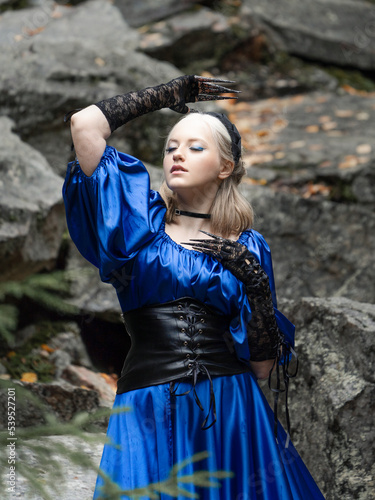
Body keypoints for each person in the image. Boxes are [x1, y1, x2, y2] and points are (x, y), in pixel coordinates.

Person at [62, 75, 325, 499]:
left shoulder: (250, 246)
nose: (177, 155)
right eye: (171, 147)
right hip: (147, 405)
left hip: (232, 407)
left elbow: (261, 367)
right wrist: (167, 95)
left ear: (225, 167)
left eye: (194, 147)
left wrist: (256, 290)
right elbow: (84, 124)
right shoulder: (138, 226)